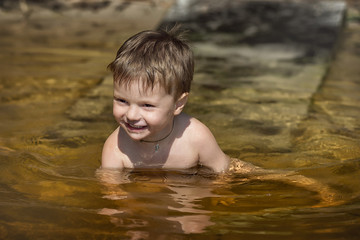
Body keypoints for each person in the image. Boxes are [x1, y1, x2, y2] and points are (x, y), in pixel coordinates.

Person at [101, 26, 232, 173]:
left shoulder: (196, 137)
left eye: (147, 105)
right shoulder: (116, 147)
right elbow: (112, 191)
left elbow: (224, 174)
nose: (131, 115)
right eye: (122, 100)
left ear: (178, 104)